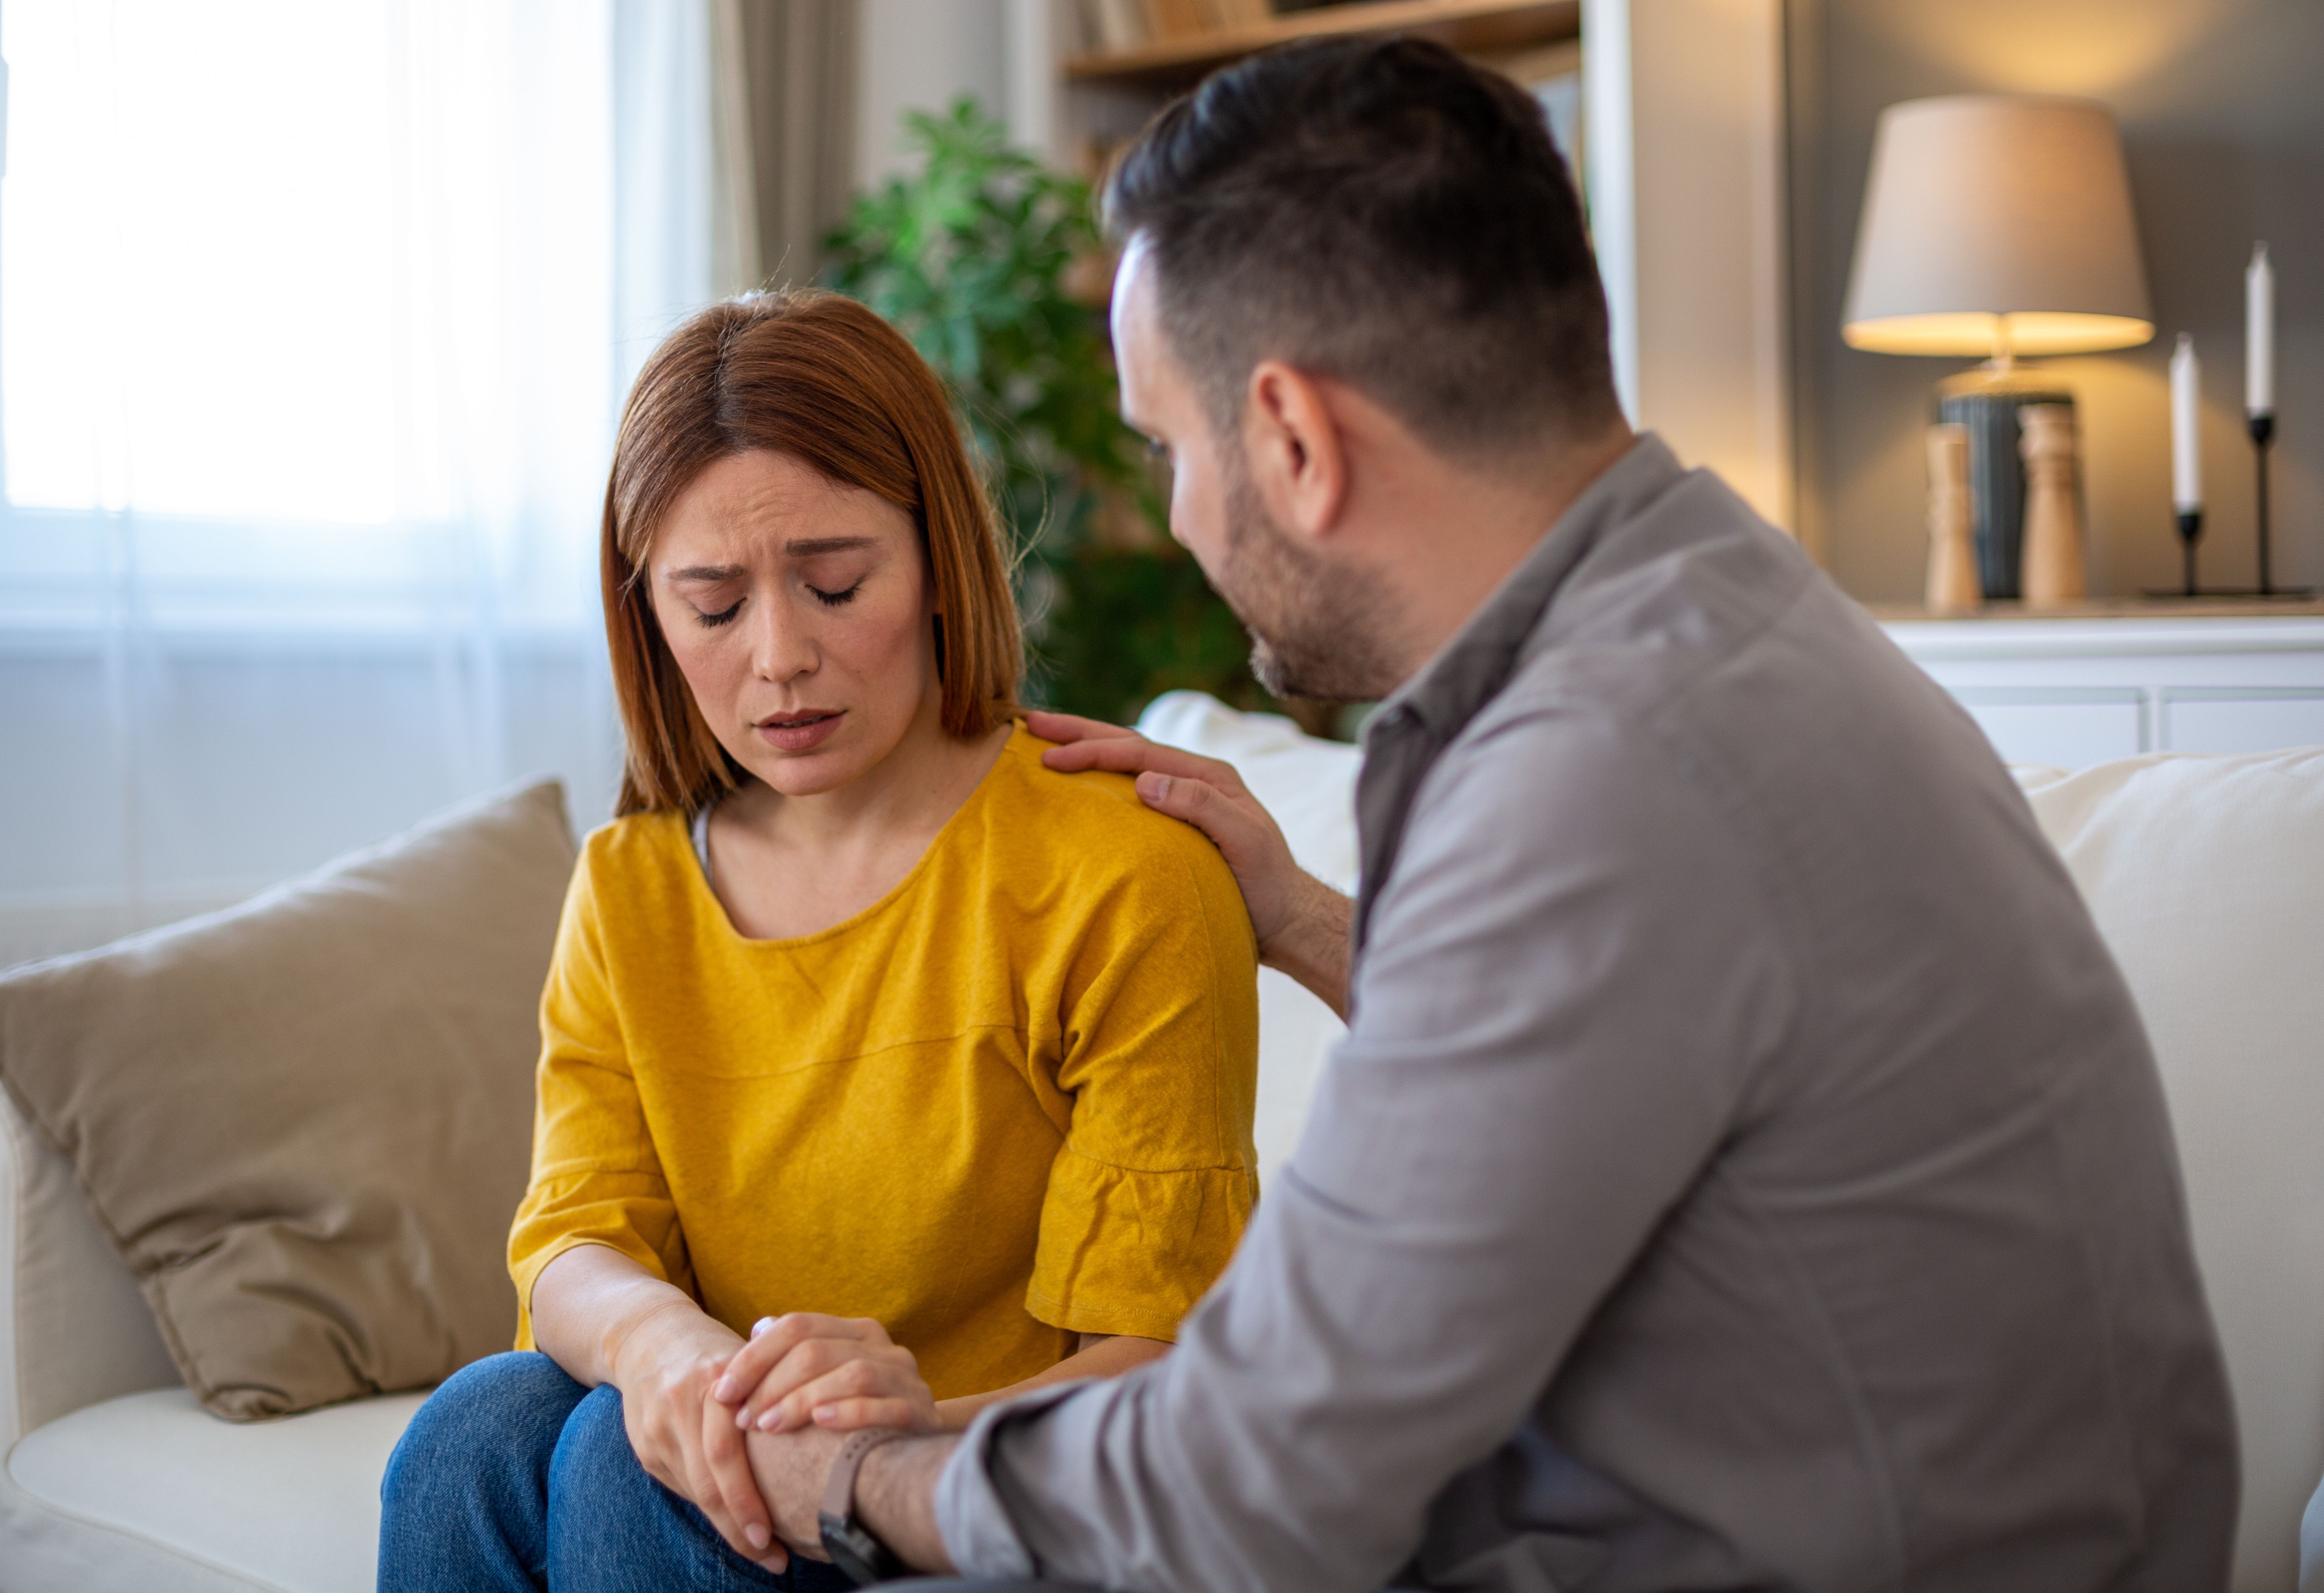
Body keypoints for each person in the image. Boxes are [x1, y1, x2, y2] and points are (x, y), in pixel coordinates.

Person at [724, 34, 2240, 1593]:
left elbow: (1239, 1500)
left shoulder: (1597, 774)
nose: (1177, 516)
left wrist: (860, 1472)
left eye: (1171, 450)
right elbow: (1613, 1078)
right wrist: (1304, 916)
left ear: (1297, 443)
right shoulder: (1723, 619)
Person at [376, 291, 1261, 1593]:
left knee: (630, 1468)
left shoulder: (1120, 871)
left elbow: (1163, 1370)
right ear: (648, 618)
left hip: (976, 1498)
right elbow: (573, 1241)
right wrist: (667, 1354)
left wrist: (854, 1441)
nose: (781, 658)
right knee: (480, 1428)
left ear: (938, 556)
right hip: (730, 1478)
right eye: (714, 606)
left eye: (838, 584)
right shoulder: (630, 889)